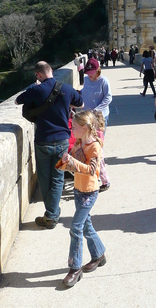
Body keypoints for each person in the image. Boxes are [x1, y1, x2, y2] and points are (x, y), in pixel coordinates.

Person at [14, 61, 83, 229]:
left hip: (43, 140)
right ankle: (52, 214)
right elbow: (80, 103)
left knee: (44, 178)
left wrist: (35, 87)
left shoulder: (36, 90)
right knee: (58, 178)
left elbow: (17, 102)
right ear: (51, 71)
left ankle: (51, 215)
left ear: (38, 75)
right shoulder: (66, 89)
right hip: (61, 141)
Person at [57, 110, 107, 288]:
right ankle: (99, 254)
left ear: (84, 128)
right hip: (78, 190)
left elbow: (91, 170)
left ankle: (75, 268)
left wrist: (73, 161)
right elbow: (73, 167)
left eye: (75, 126)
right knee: (86, 226)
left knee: (76, 228)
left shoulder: (95, 146)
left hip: (89, 192)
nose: (72, 129)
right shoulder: (78, 142)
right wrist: (64, 161)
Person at [81, 57, 112, 190]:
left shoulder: (103, 81)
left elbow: (108, 97)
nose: (89, 75)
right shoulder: (86, 80)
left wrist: (96, 109)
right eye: (87, 72)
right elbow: (84, 93)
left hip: (100, 116)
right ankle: (96, 169)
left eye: (91, 72)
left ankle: (100, 171)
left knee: (96, 144)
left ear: (97, 70)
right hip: (87, 116)